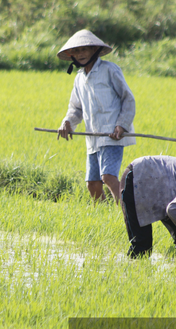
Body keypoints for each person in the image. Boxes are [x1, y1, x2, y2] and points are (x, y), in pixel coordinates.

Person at [56, 29, 136, 204]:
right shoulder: (79, 79)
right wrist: (67, 122)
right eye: (76, 51)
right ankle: (103, 213)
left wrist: (122, 125)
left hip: (112, 134)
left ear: (94, 50)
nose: (81, 54)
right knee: (92, 184)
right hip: (93, 137)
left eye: (85, 49)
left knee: (108, 176)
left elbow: (128, 99)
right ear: (71, 55)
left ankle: (125, 214)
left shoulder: (109, 70)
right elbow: (76, 109)